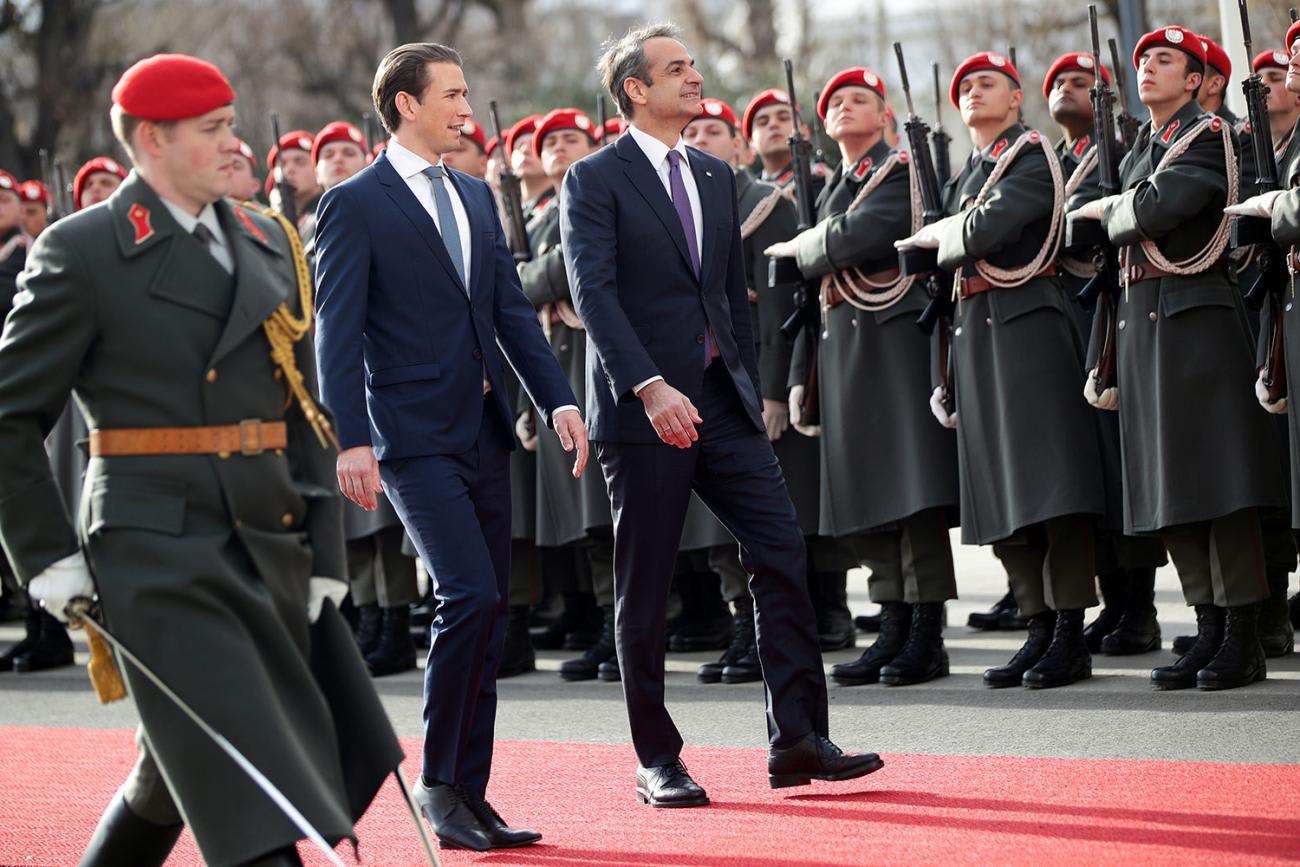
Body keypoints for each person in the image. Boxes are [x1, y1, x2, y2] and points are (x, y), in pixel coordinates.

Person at [0, 53, 403, 866]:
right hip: (156, 550)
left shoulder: (264, 236)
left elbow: (299, 407)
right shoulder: (83, 250)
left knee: (174, 773)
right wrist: (46, 558)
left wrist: (323, 546)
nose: (236, 146)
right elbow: (9, 413)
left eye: (231, 126)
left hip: (265, 537)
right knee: (252, 784)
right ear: (152, 139)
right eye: (213, 130)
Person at [562, 22, 882, 807]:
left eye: (693, 64)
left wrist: (743, 377)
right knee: (646, 581)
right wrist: (646, 385)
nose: (694, 76)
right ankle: (656, 758)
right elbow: (592, 295)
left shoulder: (712, 174)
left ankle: (799, 737)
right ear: (636, 89)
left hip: (722, 402)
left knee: (781, 549)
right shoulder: (593, 180)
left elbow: (728, 296)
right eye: (676, 68)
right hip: (645, 410)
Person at [313, 41, 588, 851]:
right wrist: (350, 440)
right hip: (407, 437)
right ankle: (438, 785)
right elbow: (339, 329)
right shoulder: (353, 201)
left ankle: (473, 791)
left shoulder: (473, 196)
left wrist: (559, 398)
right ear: (406, 104)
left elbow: (508, 312)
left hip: (482, 429)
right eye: (454, 93)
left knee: (493, 605)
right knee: (466, 593)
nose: (468, 107)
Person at [1073, 26, 1288, 690]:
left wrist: (1111, 210)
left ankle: (1245, 632)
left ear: (1198, 81)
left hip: (1198, 320)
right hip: (1145, 321)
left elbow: (1165, 205)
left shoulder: (1209, 136)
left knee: (1221, 483)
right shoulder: (1146, 143)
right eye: (1143, 61)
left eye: (1164, 61)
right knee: (1173, 485)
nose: (1148, 70)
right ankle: (1210, 622)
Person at [898, 51, 1107, 690]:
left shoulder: (1030, 155)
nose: (971, 94)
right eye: (963, 87)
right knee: (999, 486)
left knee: (1051, 484)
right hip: (979, 334)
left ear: (1016, 100)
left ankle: (1069, 628)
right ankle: (1038, 625)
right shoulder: (972, 170)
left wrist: (940, 236)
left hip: (1027, 328)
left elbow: (992, 225)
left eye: (986, 84)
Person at [767, 66, 961, 687]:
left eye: (860, 100)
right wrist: (803, 375)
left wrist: (804, 248)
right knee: (866, 493)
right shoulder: (833, 188)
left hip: (893, 343)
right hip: (843, 350)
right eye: (836, 102)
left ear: (883, 116)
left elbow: (861, 235)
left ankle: (926, 632)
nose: (846, 109)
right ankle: (893, 624)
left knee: (911, 489)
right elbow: (812, 294)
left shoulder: (898, 172)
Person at [1045, 53, 1171, 657]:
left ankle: (1138, 606)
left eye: (1083, 82)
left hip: (1109, 310)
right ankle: (1114, 598)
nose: (1069, 90)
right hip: (1065, 321)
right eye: (1060, 83)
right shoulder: (1056, 159)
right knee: (1090, 471)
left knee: (1120, 466)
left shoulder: (1122, 146)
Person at [515, 107, 621, 682]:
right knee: (585, 516)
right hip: (562, 365)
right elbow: (518, 282)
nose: (558, 147)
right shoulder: (540, 215)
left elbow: (555, 271)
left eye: (571, 138)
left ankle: (627, 627)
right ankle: (607, 625)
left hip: (601, 362)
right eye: (548, 140)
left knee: (610, 512)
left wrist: (535, 279)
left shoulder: (602, 194)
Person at [264, 129, 320, 234]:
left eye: (300, 162)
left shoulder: (326, 215)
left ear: (317, 170)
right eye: (282, 164)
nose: (289, 170)